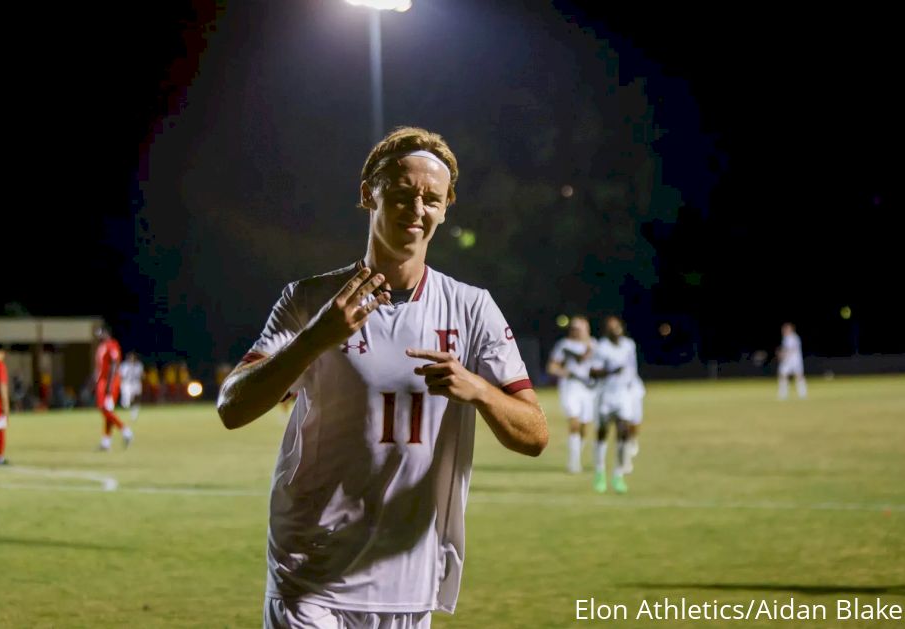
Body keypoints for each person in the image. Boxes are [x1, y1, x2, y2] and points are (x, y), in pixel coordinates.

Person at [217, 127, 549, 627]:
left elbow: (535, 434)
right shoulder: (308, 300)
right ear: (368, 193)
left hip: (410, 579)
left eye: (431, 199)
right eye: (401, 193)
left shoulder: (471, 307)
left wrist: (477, 389)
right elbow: (232, 407)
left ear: (445, 206)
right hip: (310, 573)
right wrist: (315, 339)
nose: (416, 208)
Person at [591, 315, 643, 494]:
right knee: (603, 433)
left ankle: (618, 473)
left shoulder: (629, 345)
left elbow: (632, 368)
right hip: (606, 394)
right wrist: (612, 371)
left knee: (624, 431)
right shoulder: (602, 347)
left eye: (617, 326)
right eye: (611, 327)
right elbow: (594, 372)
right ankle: (599, 472)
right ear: (607, 330)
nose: (615, 329)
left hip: (624, 394)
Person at [546, 316, 597, 473]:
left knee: (584, 426)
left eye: (580, 328)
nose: (577, 331)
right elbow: (552, 367)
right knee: (574, 422)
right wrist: (565, 372)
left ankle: (576, 457)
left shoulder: (595, 345)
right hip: (570, 388)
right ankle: (574, 463)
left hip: (589, 390)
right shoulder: (564, 345)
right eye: (575, 329)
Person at [94, 326, 132, 450]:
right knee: (107, 411)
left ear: (106, 333)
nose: (99, 337)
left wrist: (110, 384)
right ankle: (106, 442)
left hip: (109, 381)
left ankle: (125, 430)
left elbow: (114, 363)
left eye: (101, 334)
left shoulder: (111, 345)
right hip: (102, 381)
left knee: (104, 409)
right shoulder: (101, 346)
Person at [777, 322, 807, 400]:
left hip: (794, 360)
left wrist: (783, 355)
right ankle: (783, 394)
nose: (783, 331)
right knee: (783, 375)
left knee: (798, 376)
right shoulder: (786, 338)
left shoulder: (793, 338)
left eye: (785, 329)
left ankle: (802, 394)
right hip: (789, 360)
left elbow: (791, 349)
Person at [118, 351, 144, 421]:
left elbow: (142, 375)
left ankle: (134, 411)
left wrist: (142, 376)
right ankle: (126, 403)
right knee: (127, 403)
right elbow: (121, 376)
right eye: (131, 357)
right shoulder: (124, 366)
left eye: (133, 357)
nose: (132, 359)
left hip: (136, 383)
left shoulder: (139, 365)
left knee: (137, 397)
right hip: (127, 384)